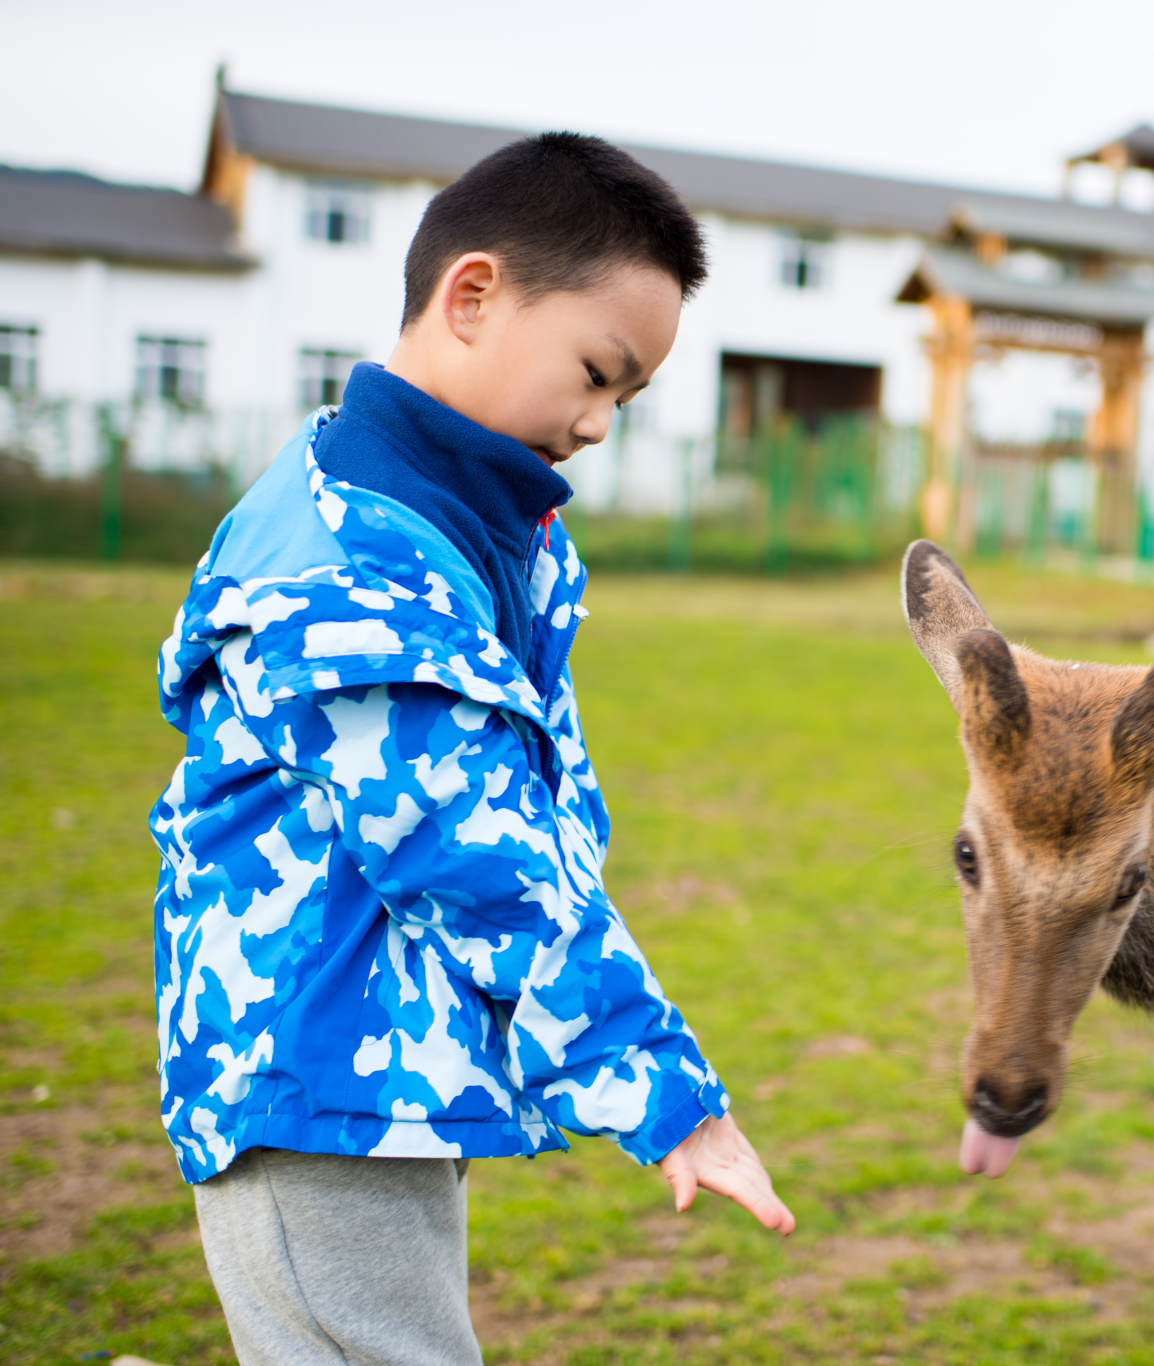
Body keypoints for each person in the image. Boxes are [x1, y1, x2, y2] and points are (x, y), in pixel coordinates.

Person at [149, 133, 793, 1366]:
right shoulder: (352, 566)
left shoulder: (462, 521)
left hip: (375, 1064)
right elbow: (475, 852)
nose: (601, 425)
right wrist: (664, 1097)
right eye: (598, 375)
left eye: (629, 398)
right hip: (308, 1077)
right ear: (473, 294)